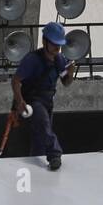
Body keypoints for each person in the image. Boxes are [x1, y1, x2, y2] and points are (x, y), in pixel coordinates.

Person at [10, 22, 76, 170]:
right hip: (32, 100)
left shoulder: (60, 60)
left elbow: (66, 82)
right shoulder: (32, 60)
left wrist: (71, 72)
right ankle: (54, 154)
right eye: (54, 43)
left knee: (41, 134)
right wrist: (20, 101)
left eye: (59, 44)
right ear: (44, 41)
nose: (57, 47)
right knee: (44, 124)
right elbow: (16, 81)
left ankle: (36, 164)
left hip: (48, 101)